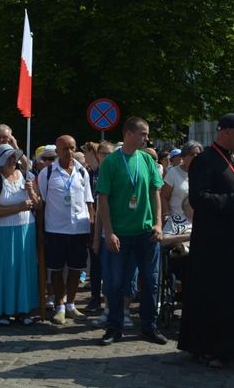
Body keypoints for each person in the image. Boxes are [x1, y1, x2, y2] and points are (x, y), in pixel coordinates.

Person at [96, 117, 166, 346]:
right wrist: (109, 232)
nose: (147, 138)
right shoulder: (112, 162)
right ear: (128, 134)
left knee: (150, 281)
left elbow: (155, 193)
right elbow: (103, 199)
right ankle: (113, 328)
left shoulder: (146, 160)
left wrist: (157, 223)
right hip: (121, 234)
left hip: (147, 232)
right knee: (116, 282)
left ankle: (149, 327)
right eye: (143, 134)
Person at [178, 113, 234, 368]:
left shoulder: (229, 159)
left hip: (227, 241)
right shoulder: (205, 160)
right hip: (211, 242)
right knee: (211, 296)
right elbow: (198, 198)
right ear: (226, 132)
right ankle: (208, 347)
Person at [38, 136, 94, 325]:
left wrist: (92, 225)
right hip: (55, 229)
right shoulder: (47, 173)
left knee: (76, 269)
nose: (69, 152)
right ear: (57, 150)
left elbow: (89, 201)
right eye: (64, 149)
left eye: (72, 148)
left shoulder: (82, 172)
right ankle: (59, 306)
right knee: (56, 268)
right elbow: (42, 202)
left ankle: (71, 304)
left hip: (79, 227)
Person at [0, 144, 41, 325]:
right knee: (6, 269)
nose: (12, 161)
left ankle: (24, 310)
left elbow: (38, 205)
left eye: (13, 157)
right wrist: (18, 207)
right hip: (2, 232)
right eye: (8, 158)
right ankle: (3, 310)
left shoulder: (28, 177)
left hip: (26, 229)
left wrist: (32, 192)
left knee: (23, 269)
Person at [160, 141, 203, 235]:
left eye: (198, 154)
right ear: (183, 157)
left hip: (197, 222)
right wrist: (167, 215)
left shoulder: (203, 174)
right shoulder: (173, 173)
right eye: (192, 154)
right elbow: (163, 196)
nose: (196, 156)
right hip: (176, 221)